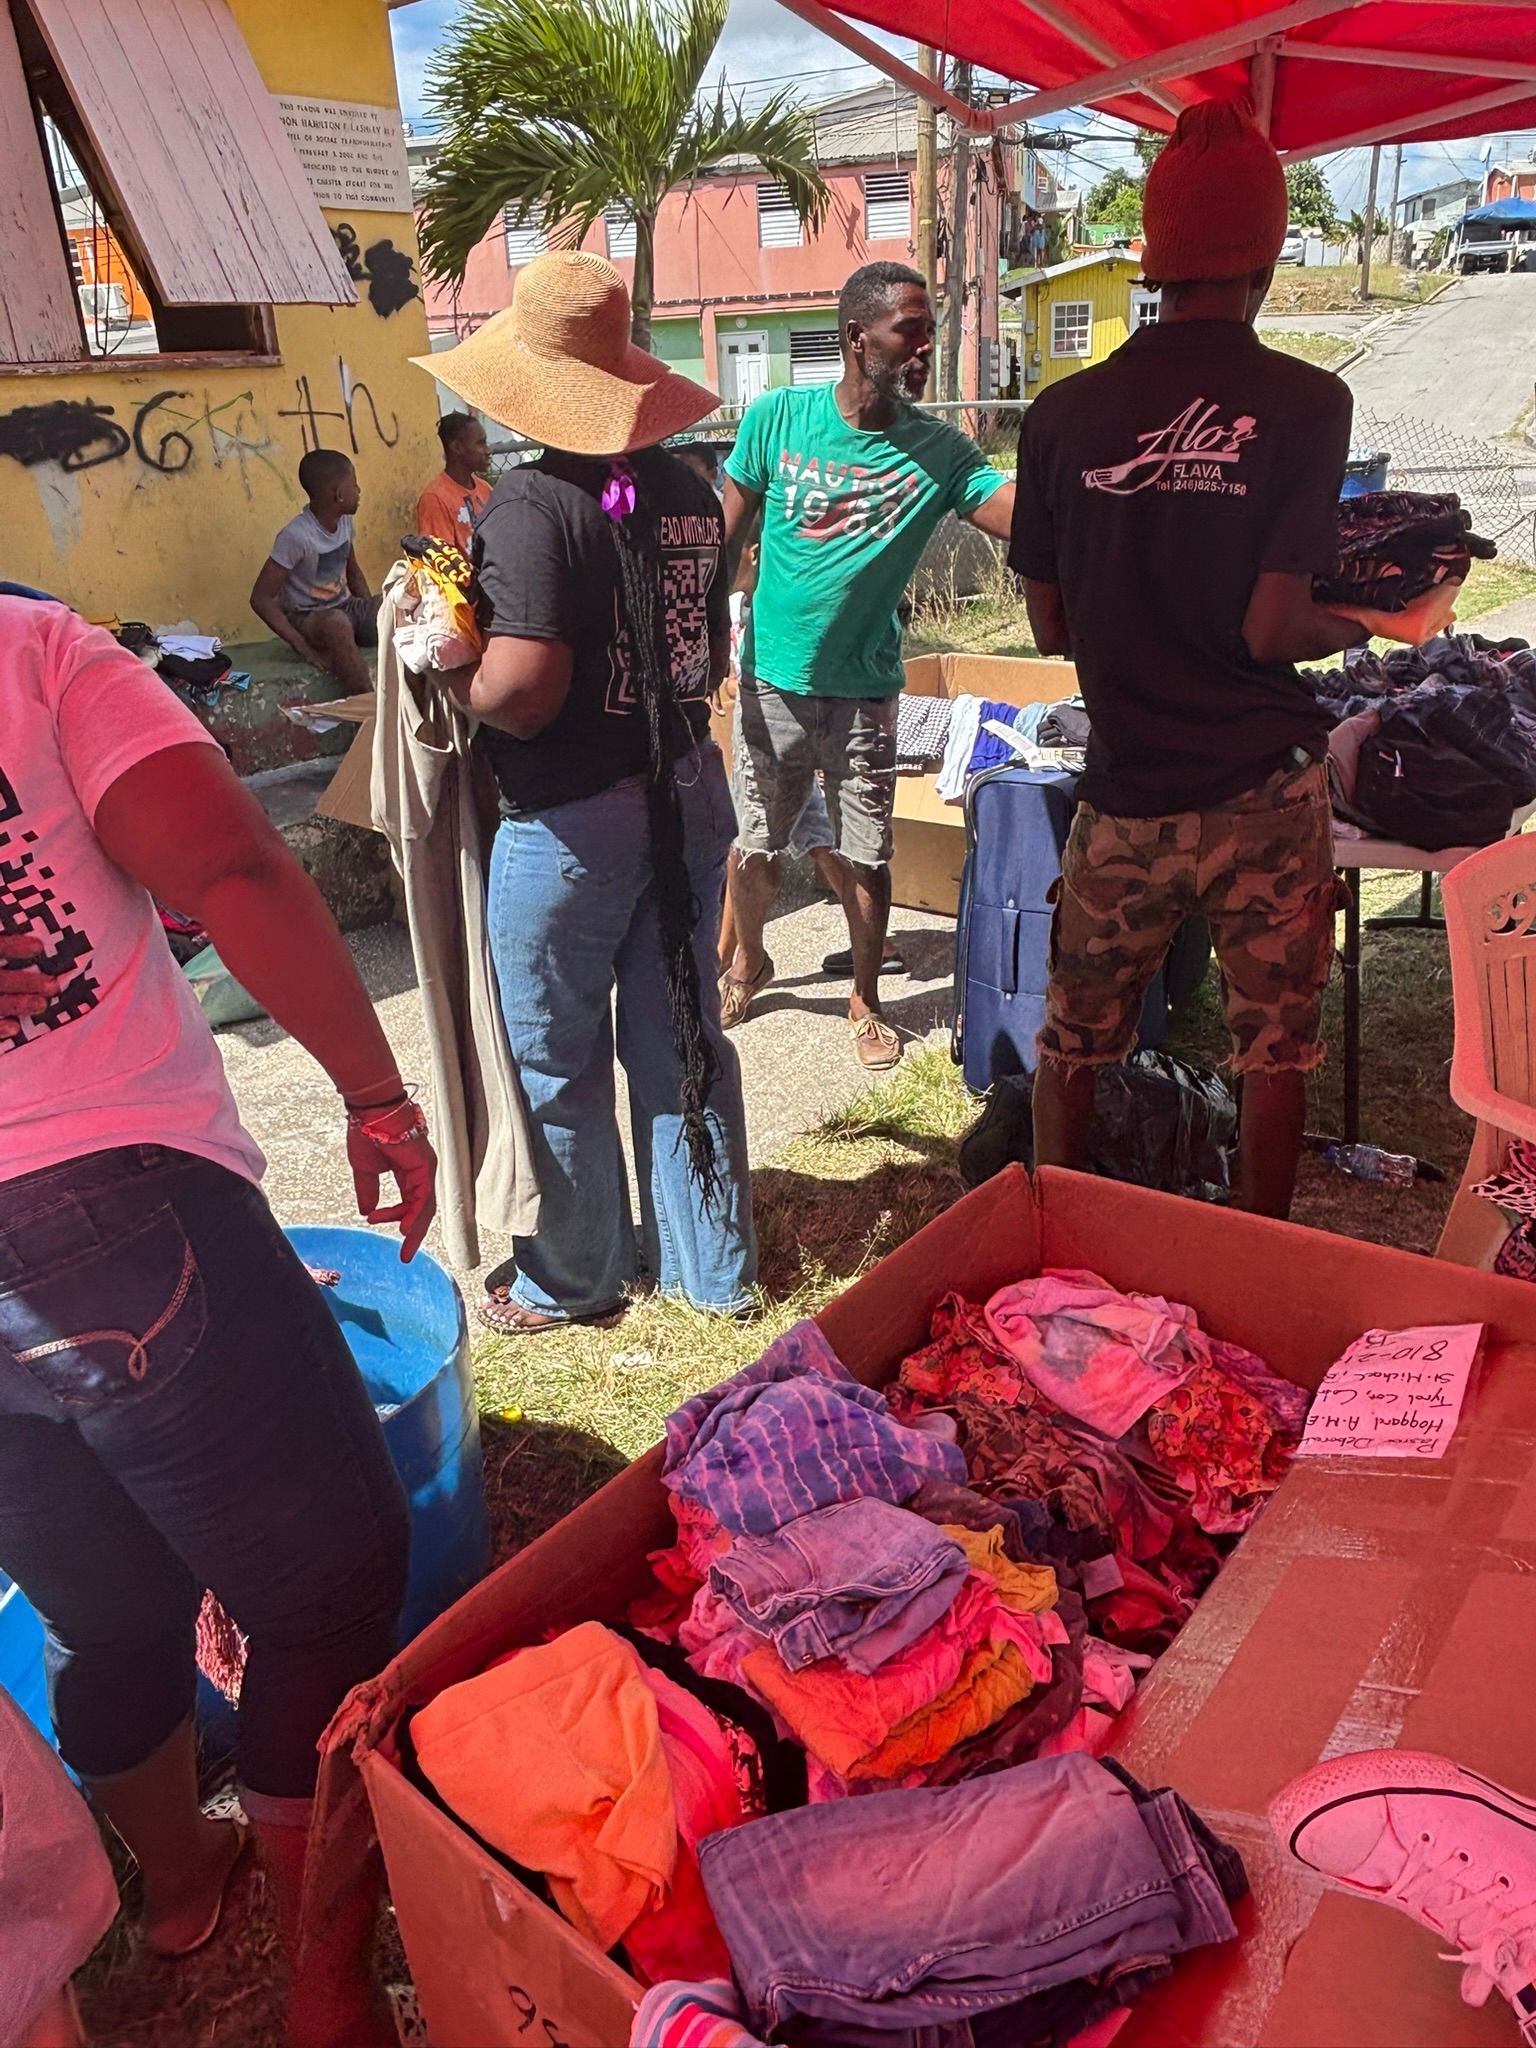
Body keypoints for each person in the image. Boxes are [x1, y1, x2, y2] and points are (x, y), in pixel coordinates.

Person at [0, 595, 437, 2046]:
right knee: (325, 1589)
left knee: (99, 1606)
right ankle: (329, 2000)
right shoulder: (34, 648)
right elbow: (231, 860)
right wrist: (376, 1094)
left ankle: (182, 1891)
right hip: (101, 1198)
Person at [1010, 100, 1457, 1220]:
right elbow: (1272, 629)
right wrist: (1373, 623)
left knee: (1075, 1038)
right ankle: (1258, 1251)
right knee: (1273, 1050)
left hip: (1125, 792)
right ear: (1265, 254)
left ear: (1152, 257)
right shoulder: (1309, 402)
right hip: (1261, 791)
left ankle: (1055, 1242)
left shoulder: (1064, 414)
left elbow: (1049, 627)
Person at [417, 250, 756, 1334]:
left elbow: (521, 692)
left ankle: (577, 1274)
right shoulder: (690, 486)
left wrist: (445, 661)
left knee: (556, 1060)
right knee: (682, 1039)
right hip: (686, 792)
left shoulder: (530, 502)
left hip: (570, 824)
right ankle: (714, 1268)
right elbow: (698, 644)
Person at [720, 260, 1015, 1069]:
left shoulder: (939, 451)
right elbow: (726, 537)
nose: (924, 347)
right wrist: (713, 638)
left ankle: (864, 996)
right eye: (909, 332)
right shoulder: (778, 419)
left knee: (867, 853)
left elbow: (1022, 517)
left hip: (864, 693)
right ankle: (749, 958)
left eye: (929, 331)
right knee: (755, 848)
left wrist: (1095, 495)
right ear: (858, 337)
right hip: (772, 681)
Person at [251, 450, 379, 694]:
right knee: (337, 625)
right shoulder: (296, 536)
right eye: (354, 485)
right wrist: (303, 648)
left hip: (345, 608)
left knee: (395, 605)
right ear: (339, 494)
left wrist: (368, 613)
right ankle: (368, 708)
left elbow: (353, 570)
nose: (359, 490)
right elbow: (261, 598)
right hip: (309, 618)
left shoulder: (344, 522)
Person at [416, 411, 493, 550]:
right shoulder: (435, 499)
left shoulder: (485, 489)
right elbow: (440, 559)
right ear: (458, 447)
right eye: (480, 443)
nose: (487, 450)